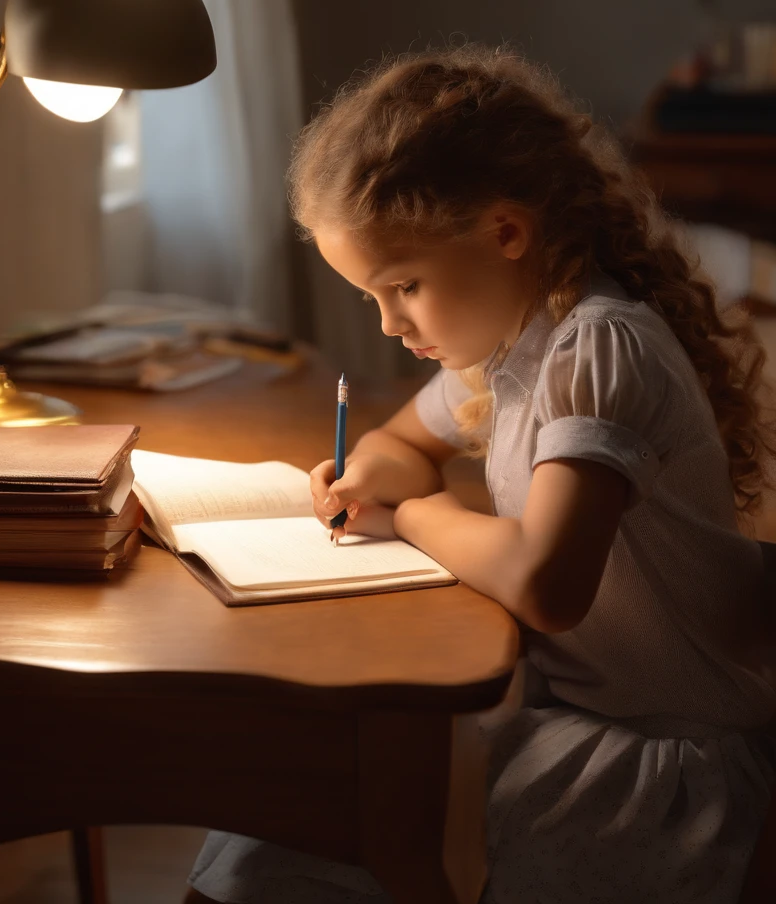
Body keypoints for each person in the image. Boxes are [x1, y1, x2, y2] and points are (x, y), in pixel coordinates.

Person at [184, 44, 776, 904]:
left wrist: (414, 514)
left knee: (359, 829)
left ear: (505, 233)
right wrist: (367, 476)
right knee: (283, 822)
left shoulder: (599, 346)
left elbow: (545, 584)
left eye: (405, 286)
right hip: (562, 712)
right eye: (370, 298)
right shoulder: (509, 343)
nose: (390, 324)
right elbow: (397, 442)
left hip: (659, 762)